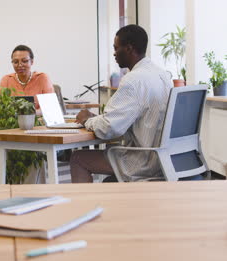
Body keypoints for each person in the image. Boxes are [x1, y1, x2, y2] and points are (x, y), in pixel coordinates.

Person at [70, 24, 172, 183]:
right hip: (166, 158)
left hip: (144, 161)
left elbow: (109, 128)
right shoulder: (162, 75)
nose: (114, 53)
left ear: (129, 49)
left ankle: (87, 207)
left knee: (78, 158)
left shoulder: (134, 80)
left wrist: (87, 119)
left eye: (116, 48)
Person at [0, 45, 54, 109]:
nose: (20, 65)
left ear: (32, 62)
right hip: (13, 118)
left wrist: (28, 114)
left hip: (37, 118)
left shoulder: (42, 78)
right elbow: (1, 107)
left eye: (24, 61)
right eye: (16, 62)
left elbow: (50, 108)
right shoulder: (6, 80)